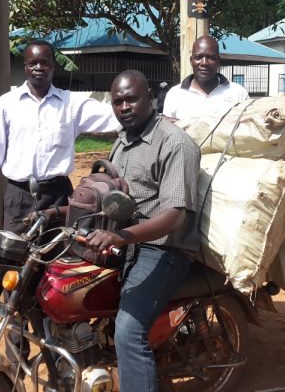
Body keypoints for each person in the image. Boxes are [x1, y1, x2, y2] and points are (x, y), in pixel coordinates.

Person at [85, 70, 200, 392]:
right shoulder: (122, 141)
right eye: (118, 101)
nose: (124, 106)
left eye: (131, 99)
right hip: (127, 240)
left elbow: (174, 215)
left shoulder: (175, 143)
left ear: (150, 98)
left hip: (164, 248)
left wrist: (120, 236)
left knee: (128, 330)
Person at [0, 39, 119, 232]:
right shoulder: (6, 104)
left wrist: (152, 116)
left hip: (60, 196)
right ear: (25, 67)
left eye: (44, 62)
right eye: (33, 63)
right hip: (19, 197)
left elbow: (115, 116)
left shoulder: (70, 103)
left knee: (61, 255)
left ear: (53, 66)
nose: (39, 67)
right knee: (16, 256)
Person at [162, 35, 249, 121]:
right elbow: (167, 132)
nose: (204, 63)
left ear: (218, 61)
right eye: (198, 57)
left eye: (211, 58)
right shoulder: (175, 94)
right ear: (191, 61)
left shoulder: (238, 93)